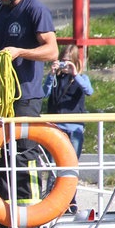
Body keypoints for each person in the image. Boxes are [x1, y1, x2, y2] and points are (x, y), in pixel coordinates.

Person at [0, 0, 59, 218]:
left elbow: (51, 50)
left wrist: (20, 52)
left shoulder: (34, 10)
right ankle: (6, 217)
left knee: (23, 155)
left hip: (26, 96)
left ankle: (31, 218)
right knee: (0, 157)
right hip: (3, 98)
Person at [43, 44, 93, 212]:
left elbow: (89, 90)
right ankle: (52, 199)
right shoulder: (56, 78)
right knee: (52, 165)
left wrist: (75, 73)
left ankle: (70, 201)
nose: (64, 65)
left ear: (75, 62)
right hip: (55, 128)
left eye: (67, 62)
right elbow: (44, 94)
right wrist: (51, 74)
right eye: (62, 61)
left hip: (74, 129)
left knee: (71, 165)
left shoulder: (81, 78)